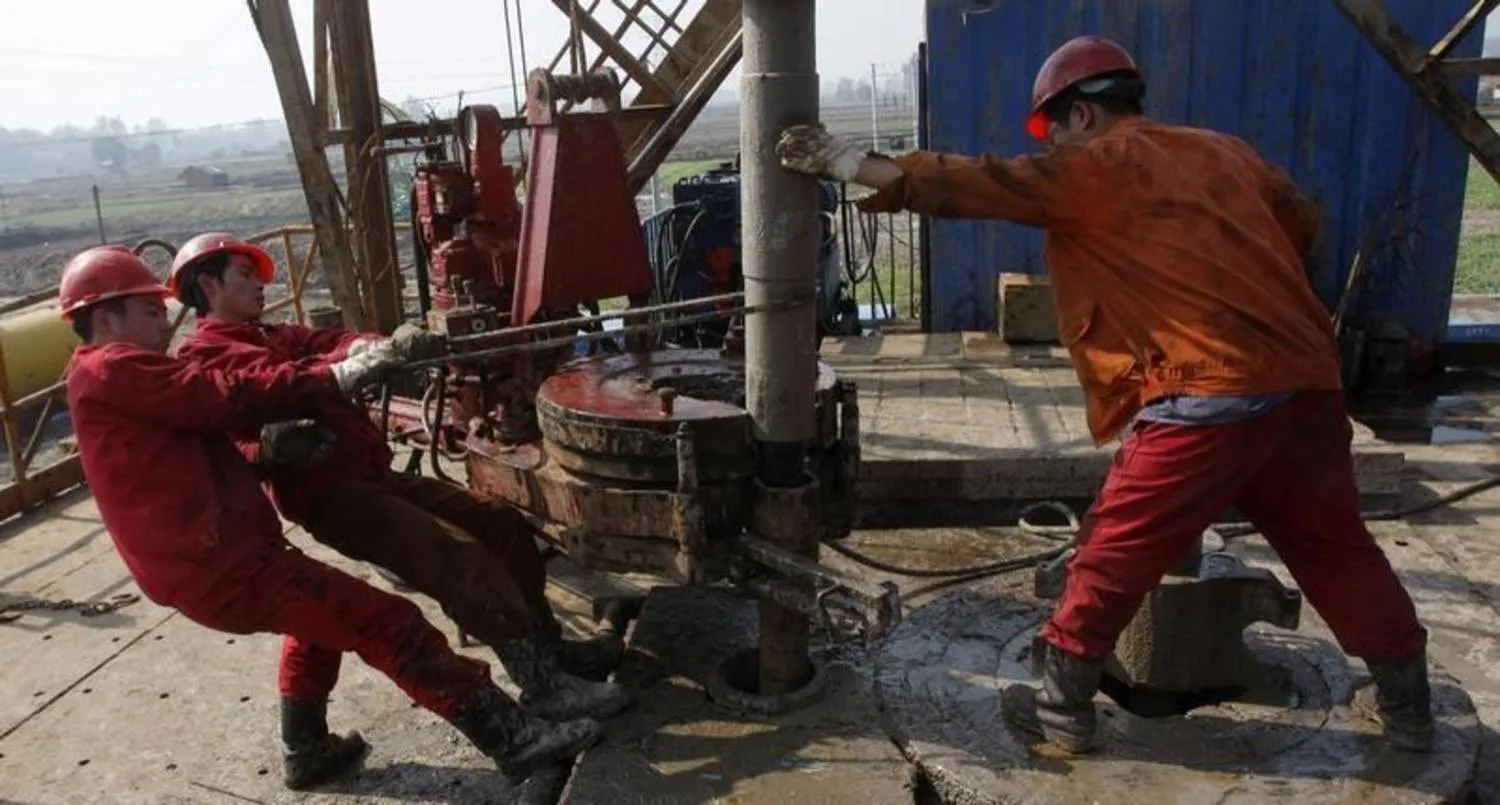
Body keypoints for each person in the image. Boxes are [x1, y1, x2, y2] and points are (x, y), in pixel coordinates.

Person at [775, 35, 1433, 755]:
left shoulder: (1096, 166)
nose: (1053, 145)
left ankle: (1059, 709)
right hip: (1308, 384)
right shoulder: (1224, 152)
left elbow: (979, 182)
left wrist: (847, 162)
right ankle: (1407, 709)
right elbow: (1301, 223)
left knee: (1114, 546)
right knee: (1337, 547)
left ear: (1081, 116)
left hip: (1205, 392)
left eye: (1054, 130)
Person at [60, 245, 601, 791]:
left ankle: (307, 747)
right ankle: (517, 737)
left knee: (330, 615)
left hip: (244, 543)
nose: (162, 319)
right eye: (149, 310)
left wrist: (368, 348)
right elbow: (231, 401)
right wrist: (320, 393)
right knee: (393, 618)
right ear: (106, 317)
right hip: (230, 555)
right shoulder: (127, 368)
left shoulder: (253, 338)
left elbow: (309, 353)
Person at [167, 232, 629, 725]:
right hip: (333, 496)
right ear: (208, 284)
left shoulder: (271, 334)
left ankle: (549, 650)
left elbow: (326, 343)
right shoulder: (205, 361)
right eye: (246, 275)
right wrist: (346, 372)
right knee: (458, 557)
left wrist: (372, 345)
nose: (260, 285)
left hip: (372, 476)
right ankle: (543, 688)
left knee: (498, 523)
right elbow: (277, 389)